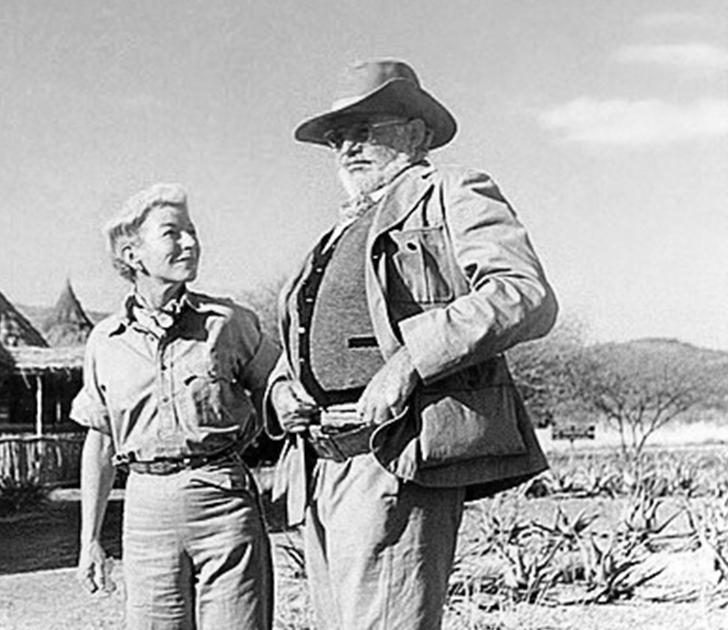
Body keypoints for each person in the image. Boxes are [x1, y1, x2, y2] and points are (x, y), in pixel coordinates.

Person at [266, 59, 557, 630]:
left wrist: (409, 363)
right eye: (338, 137)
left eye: (367, 129)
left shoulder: (452, 191)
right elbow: (301, 334)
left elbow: (524, 293)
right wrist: (281, 389)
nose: (349, 147)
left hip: (396, 452)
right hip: (321, 464)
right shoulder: (336, 231)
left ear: (418, 133)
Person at [73, 183, 279, 630]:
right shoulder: (105, 343)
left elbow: (282, 390)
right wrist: (89, 539)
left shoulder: (228, 323)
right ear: (133, 254)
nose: (190, 242)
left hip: (224, 505)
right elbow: (101, 445)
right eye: (172, 233)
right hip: (146, 512)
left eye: (192, 231)